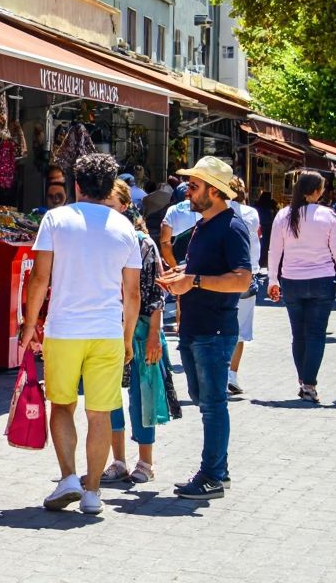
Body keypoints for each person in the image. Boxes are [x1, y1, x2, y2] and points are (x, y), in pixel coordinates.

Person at [21, 153, 141, 516]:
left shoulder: (55, 219)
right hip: (107, 331)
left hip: (64, 330)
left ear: (76, 185)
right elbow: (132, 292)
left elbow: (40, 278)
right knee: (100, 413)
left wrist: (29, 325)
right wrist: (126, 336)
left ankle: (69, 476)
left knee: (62, 404)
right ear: (110, 188)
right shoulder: (125, 228)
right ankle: (92, 493)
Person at [157, 156, 253, 501]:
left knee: (213, 405)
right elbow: (201, 269)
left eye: (195, 186)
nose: (187, 192)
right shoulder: (203, 225)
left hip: (214, 329)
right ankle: (219, 471)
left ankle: (212, 475)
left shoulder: (231, 227)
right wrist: (180, 275)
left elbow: (242, 280)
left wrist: (192, 281)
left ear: (214, 191)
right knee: (204, 400)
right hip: (196, 327)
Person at [101, 180, 168, 486]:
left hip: (141, 330)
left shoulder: (143, 243)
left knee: (143, 395)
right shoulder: (99, 242)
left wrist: (154, 333)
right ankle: (118, 461)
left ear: (125, 207)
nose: (106, 212)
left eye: (111, 206)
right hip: (108, 328)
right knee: (110, 397)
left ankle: (145, 461)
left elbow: (156, 293)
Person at [266, 170, 336, 404]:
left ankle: (303, 381)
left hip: (291, 281)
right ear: (315, 191)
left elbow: (274, 251)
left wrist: (273, 280)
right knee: (315, 335)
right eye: (322, 188)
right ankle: (309, 384)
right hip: (322, 280)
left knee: (298, 335)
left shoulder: (284, 215)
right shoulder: (327, 215)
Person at [228, 178, 262, 396]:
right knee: (240, 329)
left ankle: (221, 373)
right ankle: (232, 373)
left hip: (219, 275)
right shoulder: (251, 214)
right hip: (248, 273)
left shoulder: (212, 212)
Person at [255, 191, 279, 269]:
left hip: (260, 227)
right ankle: (265, 262)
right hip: (268, 228)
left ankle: (260, 261)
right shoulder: (270, 206)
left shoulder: (257, 205)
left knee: (260, 245)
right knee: (266, 246)